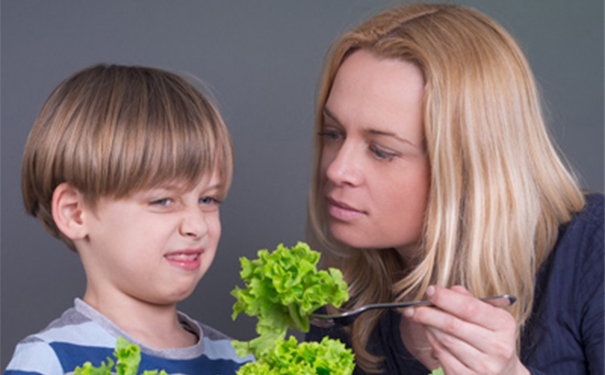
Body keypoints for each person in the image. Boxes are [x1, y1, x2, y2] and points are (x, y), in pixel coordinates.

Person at [305, 4, 603, 375]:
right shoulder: (341, 305)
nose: (337, 169)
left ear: (469, 166)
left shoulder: (592, 249)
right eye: (332, 133)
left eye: (382, 151)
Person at [4, 64, 251, 375]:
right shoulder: (49, 362)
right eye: (163, 201)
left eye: (207, 200)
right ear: (74, 213)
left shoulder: (239, 361)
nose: (197, 226)